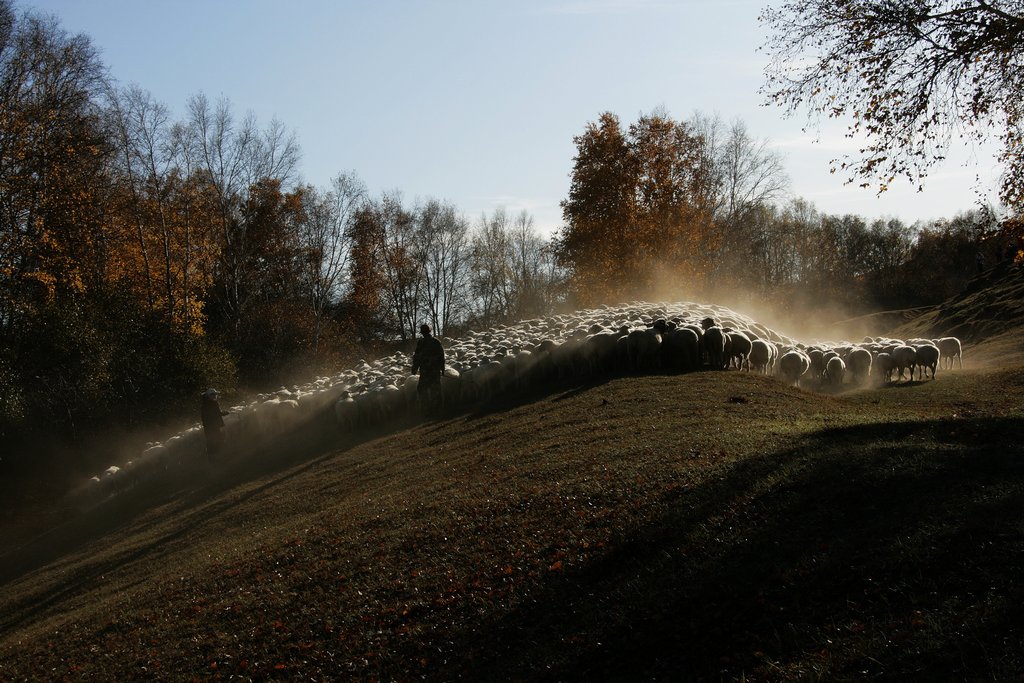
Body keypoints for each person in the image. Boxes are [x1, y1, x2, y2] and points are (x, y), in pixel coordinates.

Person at [410, 323, 445, 416]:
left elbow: (417, 356)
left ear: (423, 333)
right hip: (434, 371)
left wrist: (414, 368)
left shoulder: (421, 342)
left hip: (426, 371)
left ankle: (427, 410)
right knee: (435, 390)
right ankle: (437, 410)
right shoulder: (436, 341)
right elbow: (442, 356)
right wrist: (442, 368)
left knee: (422, 389)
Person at [200, 388, 229, 462]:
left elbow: (215, 413)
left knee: (216, 440)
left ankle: (215, 457)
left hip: (212, 426)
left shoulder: (208, 403)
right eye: (213, 395)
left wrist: (222, 413)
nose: (215, 396)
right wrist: (223, 413)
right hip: (211, 427)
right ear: (208, 396)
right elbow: (214, 414)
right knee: (213, 441)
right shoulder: (209, 404)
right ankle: (214, 458)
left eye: (215, 395)